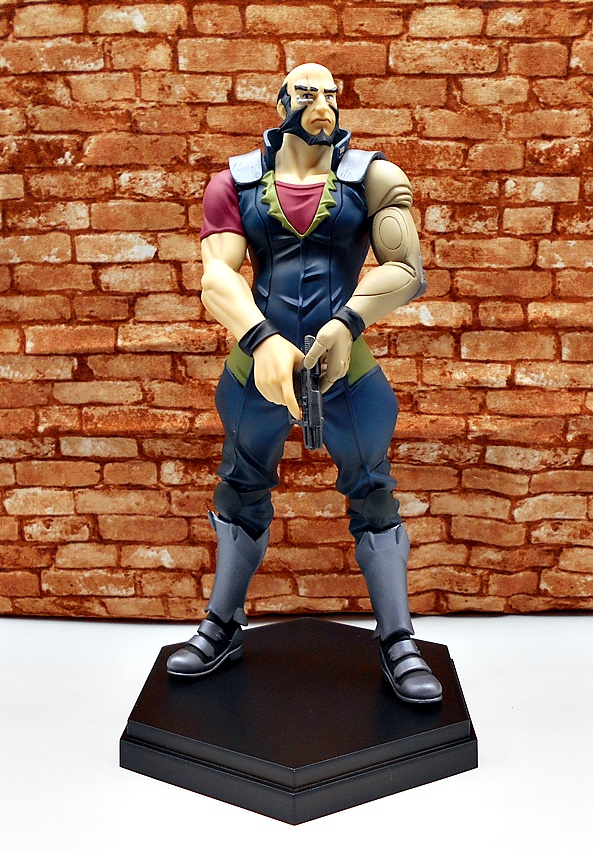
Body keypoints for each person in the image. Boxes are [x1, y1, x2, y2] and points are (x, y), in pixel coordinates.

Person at [166, 63, 442, 704]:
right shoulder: (234, 181)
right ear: (282, 102)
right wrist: (260, 338)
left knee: (373, 489)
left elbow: (406, 268)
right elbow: (217, 276)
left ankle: (398, 640)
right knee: (239, 486)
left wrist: (348, 322)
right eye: (308, 92)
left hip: (346, 364)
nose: (324, 103)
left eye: (332, 94)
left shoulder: (373, 177)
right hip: (255, 368)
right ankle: (221, 625)